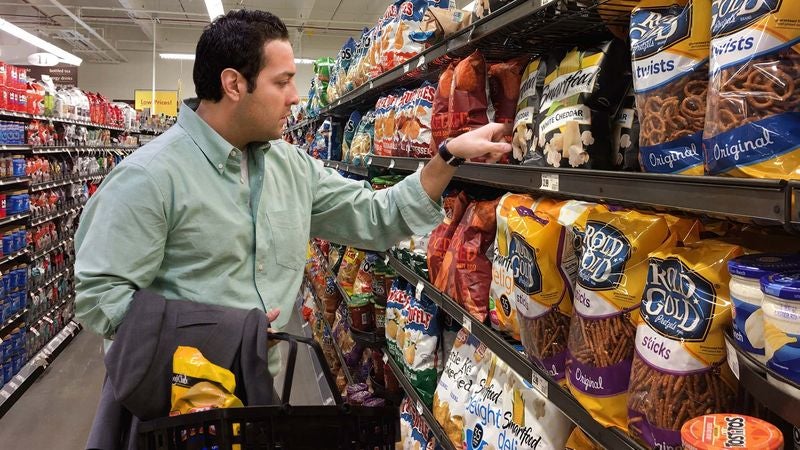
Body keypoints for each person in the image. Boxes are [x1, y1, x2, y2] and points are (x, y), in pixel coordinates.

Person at [74, 10, 511, 371]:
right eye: (281, 82)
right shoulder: (149, 177)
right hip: (179, 407)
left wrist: (448, 156)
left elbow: (377, 217)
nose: (296, 97)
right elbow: (101, 299)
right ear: (234, 84)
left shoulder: (291, 167)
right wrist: (209, 331)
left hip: (263, 394)